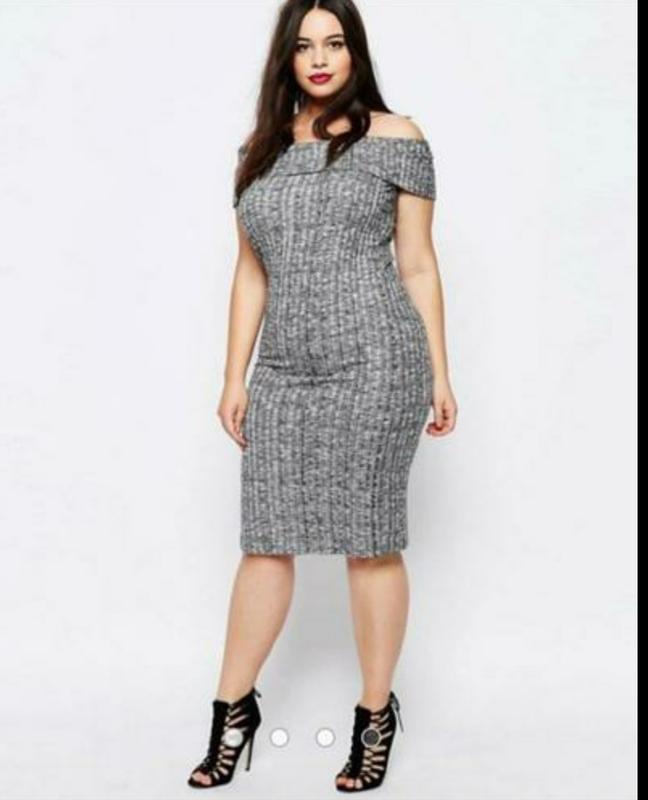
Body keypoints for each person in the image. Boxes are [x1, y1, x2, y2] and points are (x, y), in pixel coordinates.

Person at [188, 0, 458, 791]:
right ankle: (231, 711)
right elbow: (251, 272)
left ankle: (374, 717)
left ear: (354, 53)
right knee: (265, 540)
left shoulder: (397, 138)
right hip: (284, 369)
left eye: (334, 43)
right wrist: (234, 375)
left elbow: (418, 263)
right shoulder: (260, 151)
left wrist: (440, 372)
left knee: (368, 540)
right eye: (304, 45)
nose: (319, 58)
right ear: (286, 57)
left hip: (377, 361)